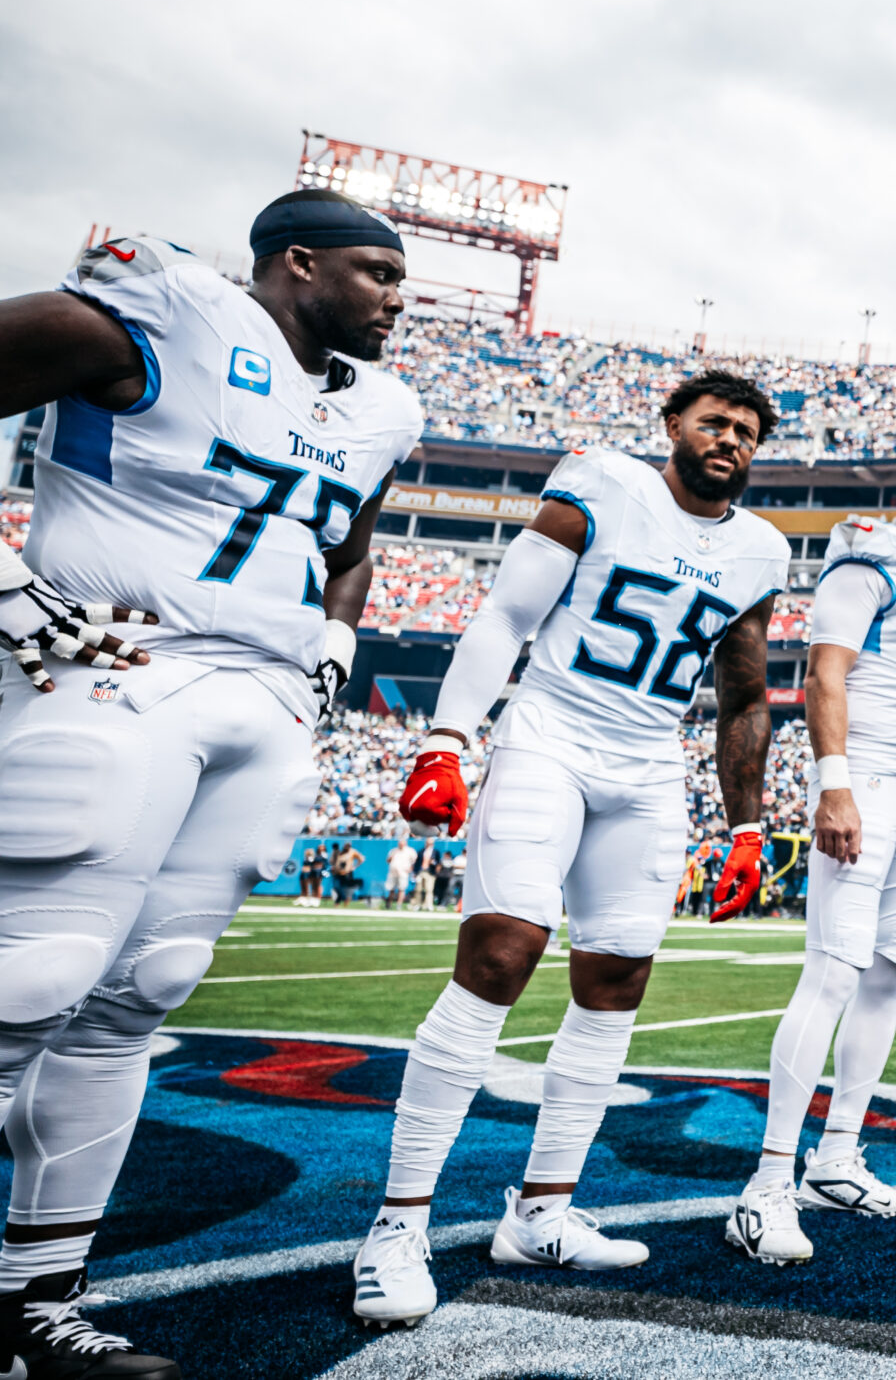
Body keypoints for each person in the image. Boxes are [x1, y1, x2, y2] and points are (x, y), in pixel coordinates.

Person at [0, 193, 423, 1373]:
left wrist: (338, 645)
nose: (397, 300)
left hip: (266, 697)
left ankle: (36, 1299)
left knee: (139, 996)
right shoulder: (163, 317)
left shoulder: (378, 410)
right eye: (378, 272)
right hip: (119, 667)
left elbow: (346, 543)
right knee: (24, 985)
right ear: (298, 263)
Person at [351, 371, 787, 1328]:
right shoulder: (600, 482)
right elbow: (506, 615)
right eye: (716, 422)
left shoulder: (760, 549)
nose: (732, 441)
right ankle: (396, 1222)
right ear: (673, 424)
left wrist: (747, 822)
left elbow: (746, 694)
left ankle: (542, 1210)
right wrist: (447, 738)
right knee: (500, 955)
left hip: (647, 765)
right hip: (550, 733)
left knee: (617, 982)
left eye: (749, 432)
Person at [728, 459, 896, 1262]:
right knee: (834, 970)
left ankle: (836, 1156)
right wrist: (833, 786)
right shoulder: (870, 554)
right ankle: (768, 1182)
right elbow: (825, 674)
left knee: (889, 973)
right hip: (870, 778)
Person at [385, 836, 416, 912]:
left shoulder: (410, 851)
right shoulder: (394, 851)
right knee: (391, 889)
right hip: (393, 872)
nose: (401, 845)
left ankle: (399, 905)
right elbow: (388, 860)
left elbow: (414, 861)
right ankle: (389, 904)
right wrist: (391, 857)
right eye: (400, 843)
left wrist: (410, 869)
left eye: (402, 843)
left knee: (401, 889)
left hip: (403, 873)